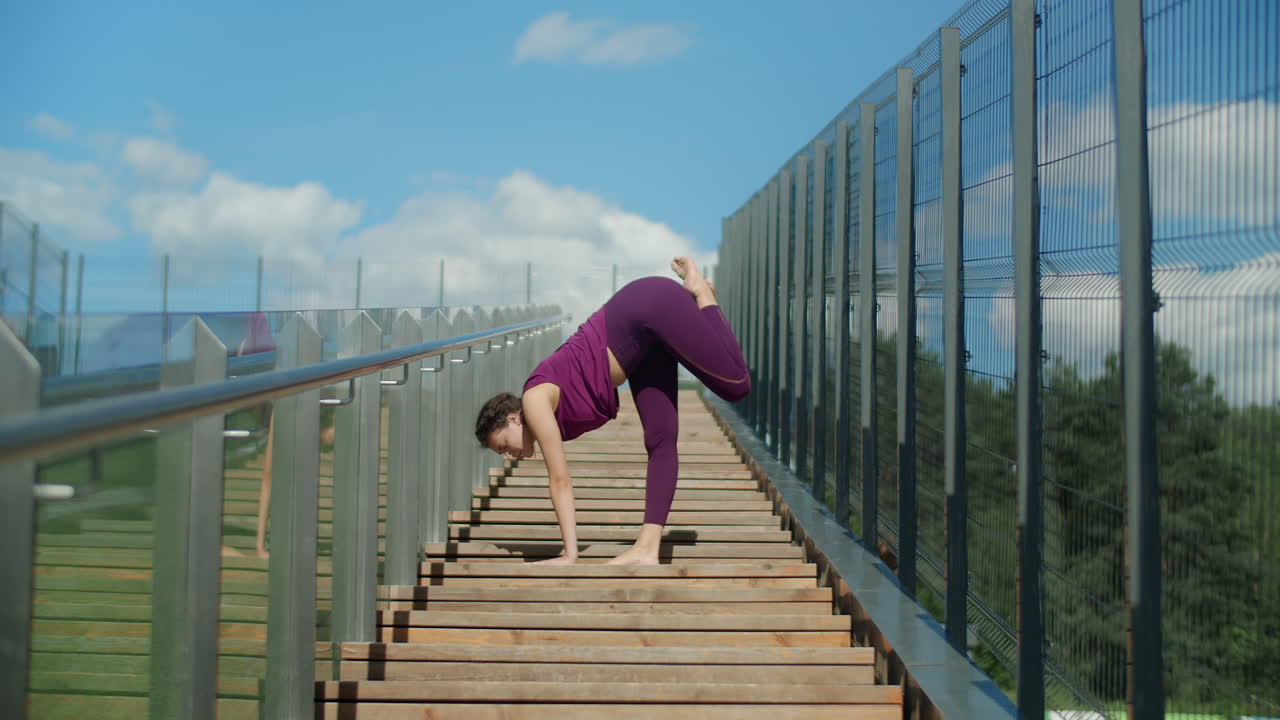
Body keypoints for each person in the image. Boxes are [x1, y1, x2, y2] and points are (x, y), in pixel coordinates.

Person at [473, 257, 750, 566]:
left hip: (647, 307)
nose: (509, 456)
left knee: (736, 385)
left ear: (513, 419)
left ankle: (703, 294)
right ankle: (647, 548)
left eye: (503, 446)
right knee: (660, 439)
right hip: (641, 348)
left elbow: (560, 480)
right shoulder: (542, 412)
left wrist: (569, 554)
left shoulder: (534, 401)